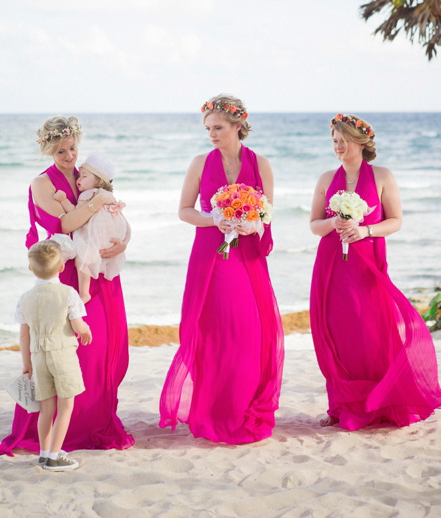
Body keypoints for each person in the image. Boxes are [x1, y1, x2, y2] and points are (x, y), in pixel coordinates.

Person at [0, 115, 135, 457]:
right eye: (61, 151)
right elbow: (67, 223)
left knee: (103, 345)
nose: (70, 157)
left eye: (73, 148)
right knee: (72, 348)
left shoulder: (86, 175)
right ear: (48, 150)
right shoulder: (42, 183)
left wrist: (122, 243)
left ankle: (95, 418)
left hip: (101, 270)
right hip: (70, 273)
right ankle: (65, 428)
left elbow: (110, 218)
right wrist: (95, 202)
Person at [159, 94, 283, 444]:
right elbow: (184, 210)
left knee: (246, 332)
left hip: (247, 260)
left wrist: (251, 226)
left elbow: (267, 215)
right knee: (213, 333)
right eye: (207, 128)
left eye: (217, 127)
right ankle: (212, 410)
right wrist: (215, 219)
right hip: (209, 259)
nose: (211, 134)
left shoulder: (261, 164)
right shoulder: (200, 163)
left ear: (237, 126)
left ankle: (241, 407)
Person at [309, 113, 441, 429]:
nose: (338, 147)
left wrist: (365, 231)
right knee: (336, 334)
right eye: (334, 141)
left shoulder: (382, 176)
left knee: (370, 332)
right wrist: (332, 224)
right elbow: (314, 225)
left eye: (343, 140)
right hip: (331, 266)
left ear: (360, 142)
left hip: (366, 265)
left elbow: (395, 221)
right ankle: (341, 405)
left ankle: (380, 402)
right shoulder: (327, 179)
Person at [16, 240, 92, 472]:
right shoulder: (68, 293)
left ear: (31, 268)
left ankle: (44, 452)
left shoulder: (25, 298)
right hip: (62, 354)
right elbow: (77, 324)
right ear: (61, 268)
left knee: (46, 408)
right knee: (66, 406)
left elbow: (24, 334)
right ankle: (55, 456)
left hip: (38, 357)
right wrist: (86, 331)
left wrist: (27, 363)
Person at [51, 152, 131, 304]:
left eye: (84, 176)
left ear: (99, 180)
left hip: (95, 237)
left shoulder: (87, 194)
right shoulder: (108, 195)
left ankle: (84, 293)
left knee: (82, 260)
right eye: (78, 176)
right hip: (113, 237)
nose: (79, 180)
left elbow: (76, 213)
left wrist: (63, 200)